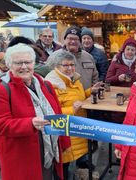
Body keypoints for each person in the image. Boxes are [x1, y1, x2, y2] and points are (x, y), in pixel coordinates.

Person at [0, 43, 69, 180]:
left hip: (49, 152)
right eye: (18, 63)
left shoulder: (46, 85)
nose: (24, 66)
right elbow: (0, 125)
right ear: (9, 65)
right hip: (21, 157)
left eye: (28, 62)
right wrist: (30, 123)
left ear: (34, 63)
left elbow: (58, 115)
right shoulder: (1, 90)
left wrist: (64, 143)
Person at [45, 50, 101, 179]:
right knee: (64, 168)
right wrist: (71, 109)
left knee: (73, 163)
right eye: (66, 65)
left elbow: (78, 98)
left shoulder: (75, 79)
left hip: (77, 129)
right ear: (56, 66)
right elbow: (50, 113)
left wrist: (89, 91)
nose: (70, 68)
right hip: (65, 132)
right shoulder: (51, 84)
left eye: (72, 65)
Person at [52, 26, 99, 90]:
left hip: (86, 97)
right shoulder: (54, 57)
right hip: (64, 98)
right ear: (65, 40)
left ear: (80, 41)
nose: (73, 41)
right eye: (70, 38)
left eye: (76, 39)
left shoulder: (88, 57)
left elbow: (95, 77)